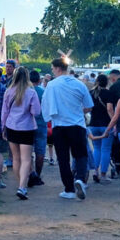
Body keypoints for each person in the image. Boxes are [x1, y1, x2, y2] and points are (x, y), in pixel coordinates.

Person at [41, 58, 94, 200]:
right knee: (81, 155)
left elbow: (45, 106)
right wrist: (76, 111)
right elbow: (89, 106)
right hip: (77, 125)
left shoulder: (51, 85)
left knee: (63, 159)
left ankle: (69, 189)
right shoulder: (79, 84)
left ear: (58, 68)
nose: (52, 71)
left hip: (59, 126)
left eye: (53, 68)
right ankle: (80, 179)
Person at [1, 67, 41, 200]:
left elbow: (4, 112)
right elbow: (36, 112)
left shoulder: (8, 91)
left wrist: (3, 128)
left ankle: (21, 184)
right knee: (26, 159)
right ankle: (22, 187)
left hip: (11, 126)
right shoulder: (31, 92)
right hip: (26, 128)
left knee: (16, 158)